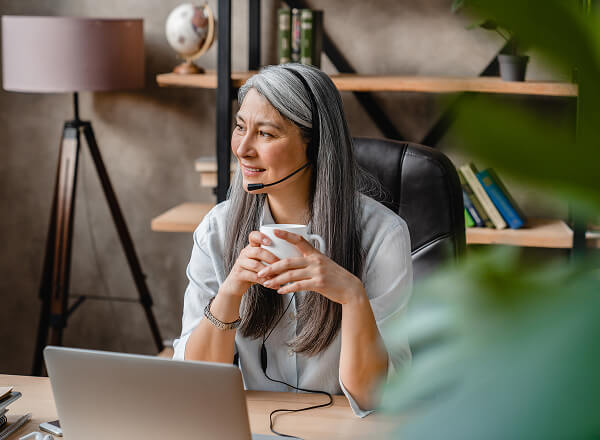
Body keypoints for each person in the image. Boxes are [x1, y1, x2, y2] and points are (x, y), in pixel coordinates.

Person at [172, 63, 412, 417]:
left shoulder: (382, 235)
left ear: (313, 146)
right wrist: (230, 292)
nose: (243, 149)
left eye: (266, 134)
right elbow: (193, 384)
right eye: (241, 127)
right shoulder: (217, 230)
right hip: (248, 428)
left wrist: (352, 296)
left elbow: (375, 398)